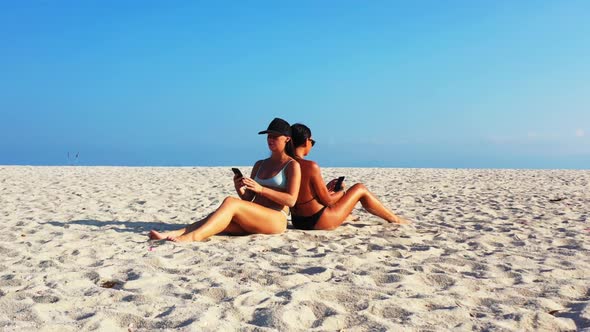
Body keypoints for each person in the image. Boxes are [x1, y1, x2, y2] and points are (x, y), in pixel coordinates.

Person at [149, 118, 301, 242]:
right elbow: (248, 198)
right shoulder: (260, 164)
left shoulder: (292, 165)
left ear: (287, 139)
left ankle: (194, 237)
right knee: (216, 220)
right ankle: (176, 233)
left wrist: (261, 189)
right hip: (255, 215)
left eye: (275, 136)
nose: (270, 139)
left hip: (275, 218)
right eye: (269, 136)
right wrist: (240, 188)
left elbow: (291, 200)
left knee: (229, 202)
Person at [289, 123, 409, 230]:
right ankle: (395, 219)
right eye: (312, 142)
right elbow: (328, 201)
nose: (311, 145)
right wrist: (342, 192)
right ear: (306, 142)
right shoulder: (311, 166)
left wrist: (326, 189)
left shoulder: (285, 164)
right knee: (360, 188)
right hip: (318, 221)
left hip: (298, 221)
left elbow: (306, 196)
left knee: (336, 196)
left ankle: (346, 216)